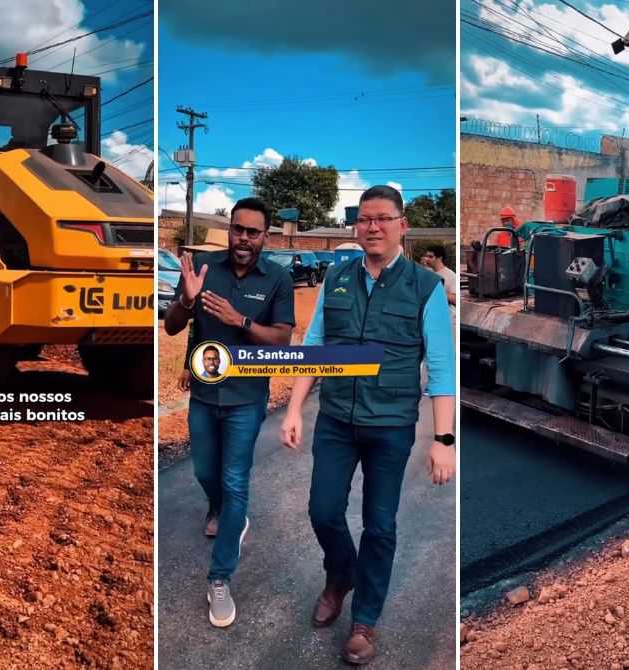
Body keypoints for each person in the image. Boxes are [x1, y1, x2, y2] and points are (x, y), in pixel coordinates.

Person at [280, 185, 456, 665]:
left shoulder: (426, 287)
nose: (372, 227)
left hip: (391, 426)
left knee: (379, 525)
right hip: (336, 420)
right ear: (355, 227)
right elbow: (316, 347)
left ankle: (366, 620)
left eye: (382, 218)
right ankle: (341, 574)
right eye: (364, 219)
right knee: (323, 511)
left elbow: (442, 367)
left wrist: (444, 439)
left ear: (402, 226)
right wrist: (295, 408)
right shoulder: (336, 277)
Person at [163, 197, 295, 627]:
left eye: (252, 232)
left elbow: (281, 341)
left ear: (265, 237)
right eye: (238, 229)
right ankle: (220, 508)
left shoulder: (278, 278)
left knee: (236, 479)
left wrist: (240, 321)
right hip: (204, 394)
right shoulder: (206, 269)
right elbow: (175, 325)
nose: (243, 238)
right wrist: (186, 298)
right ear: (230, 230)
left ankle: (219, 578)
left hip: (247, 398)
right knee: (205, 471)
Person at [421, 244, 456, 318]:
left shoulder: (451, 276)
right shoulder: (427, 271)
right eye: (426, 256)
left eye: (430, 257)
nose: (427, 259)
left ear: (439, 258)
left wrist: (437, 292)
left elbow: (455, 300)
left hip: (445, 317)